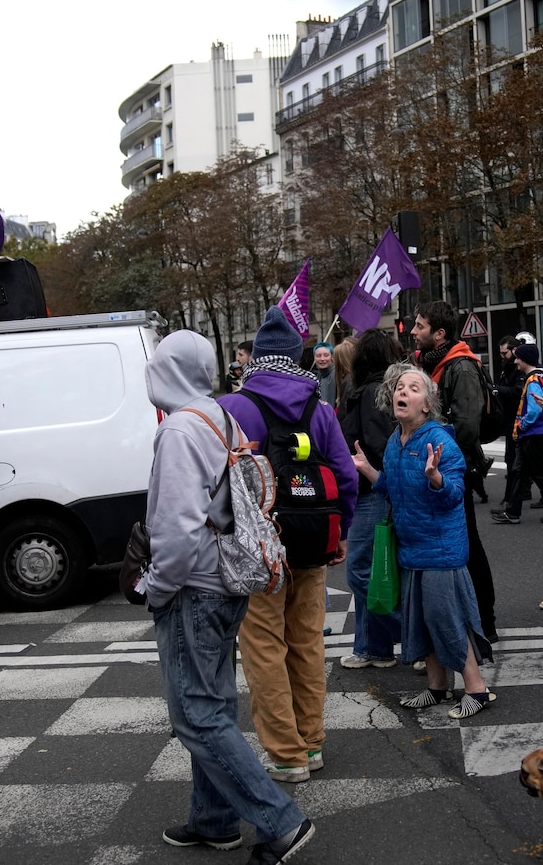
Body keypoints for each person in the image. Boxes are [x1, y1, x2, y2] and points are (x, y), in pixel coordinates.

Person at [139, 329, 315, 861]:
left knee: (196, 713)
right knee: (213, 703)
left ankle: (280, 821)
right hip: (230, 579)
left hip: (193, 586)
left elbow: (174, 528)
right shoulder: (221, 416)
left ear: (165, 372)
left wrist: (156, 589)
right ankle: (214, 820)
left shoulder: (178, 432)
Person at [218, 307, 358, 784]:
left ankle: (285, 754)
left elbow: (215, 481)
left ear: (255, 359)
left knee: (262, 646)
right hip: (313, 542)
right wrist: (339, 531)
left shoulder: (233, 408)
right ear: (297, 358)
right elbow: (343, 474)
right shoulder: (318, 408)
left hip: (258, 550)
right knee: (306, 642)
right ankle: (312, 741)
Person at [350, 363, 496, 719]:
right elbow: (394, 489)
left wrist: (436, 479)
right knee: (420, 620)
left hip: (441, 549)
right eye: (400, 387)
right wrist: (369, 471)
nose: (403, 392)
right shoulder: (394, 441)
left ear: (427, 404)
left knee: (445, 618)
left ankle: (476, 689)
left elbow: (455, 494)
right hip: (410, 546)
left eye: (414, 389)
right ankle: (437, 686)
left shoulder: (440, 441)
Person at [411, 300, 498, 640]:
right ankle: (465, 616)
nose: (414, 332)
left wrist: (439, 461)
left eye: (420, 326)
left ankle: (485, 621)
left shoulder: (459, 367)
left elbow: (466, 427)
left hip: (454, 468)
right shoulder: (434, 364)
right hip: (441, 466)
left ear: (439, 333)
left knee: (468, 545)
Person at [339, 328, 404, 670]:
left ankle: (413, 635)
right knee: (375, 568)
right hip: (374, 487)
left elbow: (378, 445)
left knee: (361, 571)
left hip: (372, 488)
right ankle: (372, 647)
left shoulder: (369, 392)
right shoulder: (380, 388)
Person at [495, 344, 543, 525]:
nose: (516, 360)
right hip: (534, 433)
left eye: (519, 358)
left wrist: (521, 425)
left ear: (525, 359)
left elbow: (535, 409)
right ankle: (512, 512)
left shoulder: (533, 380)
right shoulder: (539, 376)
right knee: (519, 471)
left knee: (541, 474)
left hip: (532, 433)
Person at [313, 341, 337, 408]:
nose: (322, 359)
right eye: (318, 356)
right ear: (314, 358)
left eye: (326, 355)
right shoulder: (317, 376)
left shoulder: (336, 375)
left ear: (332, 357)